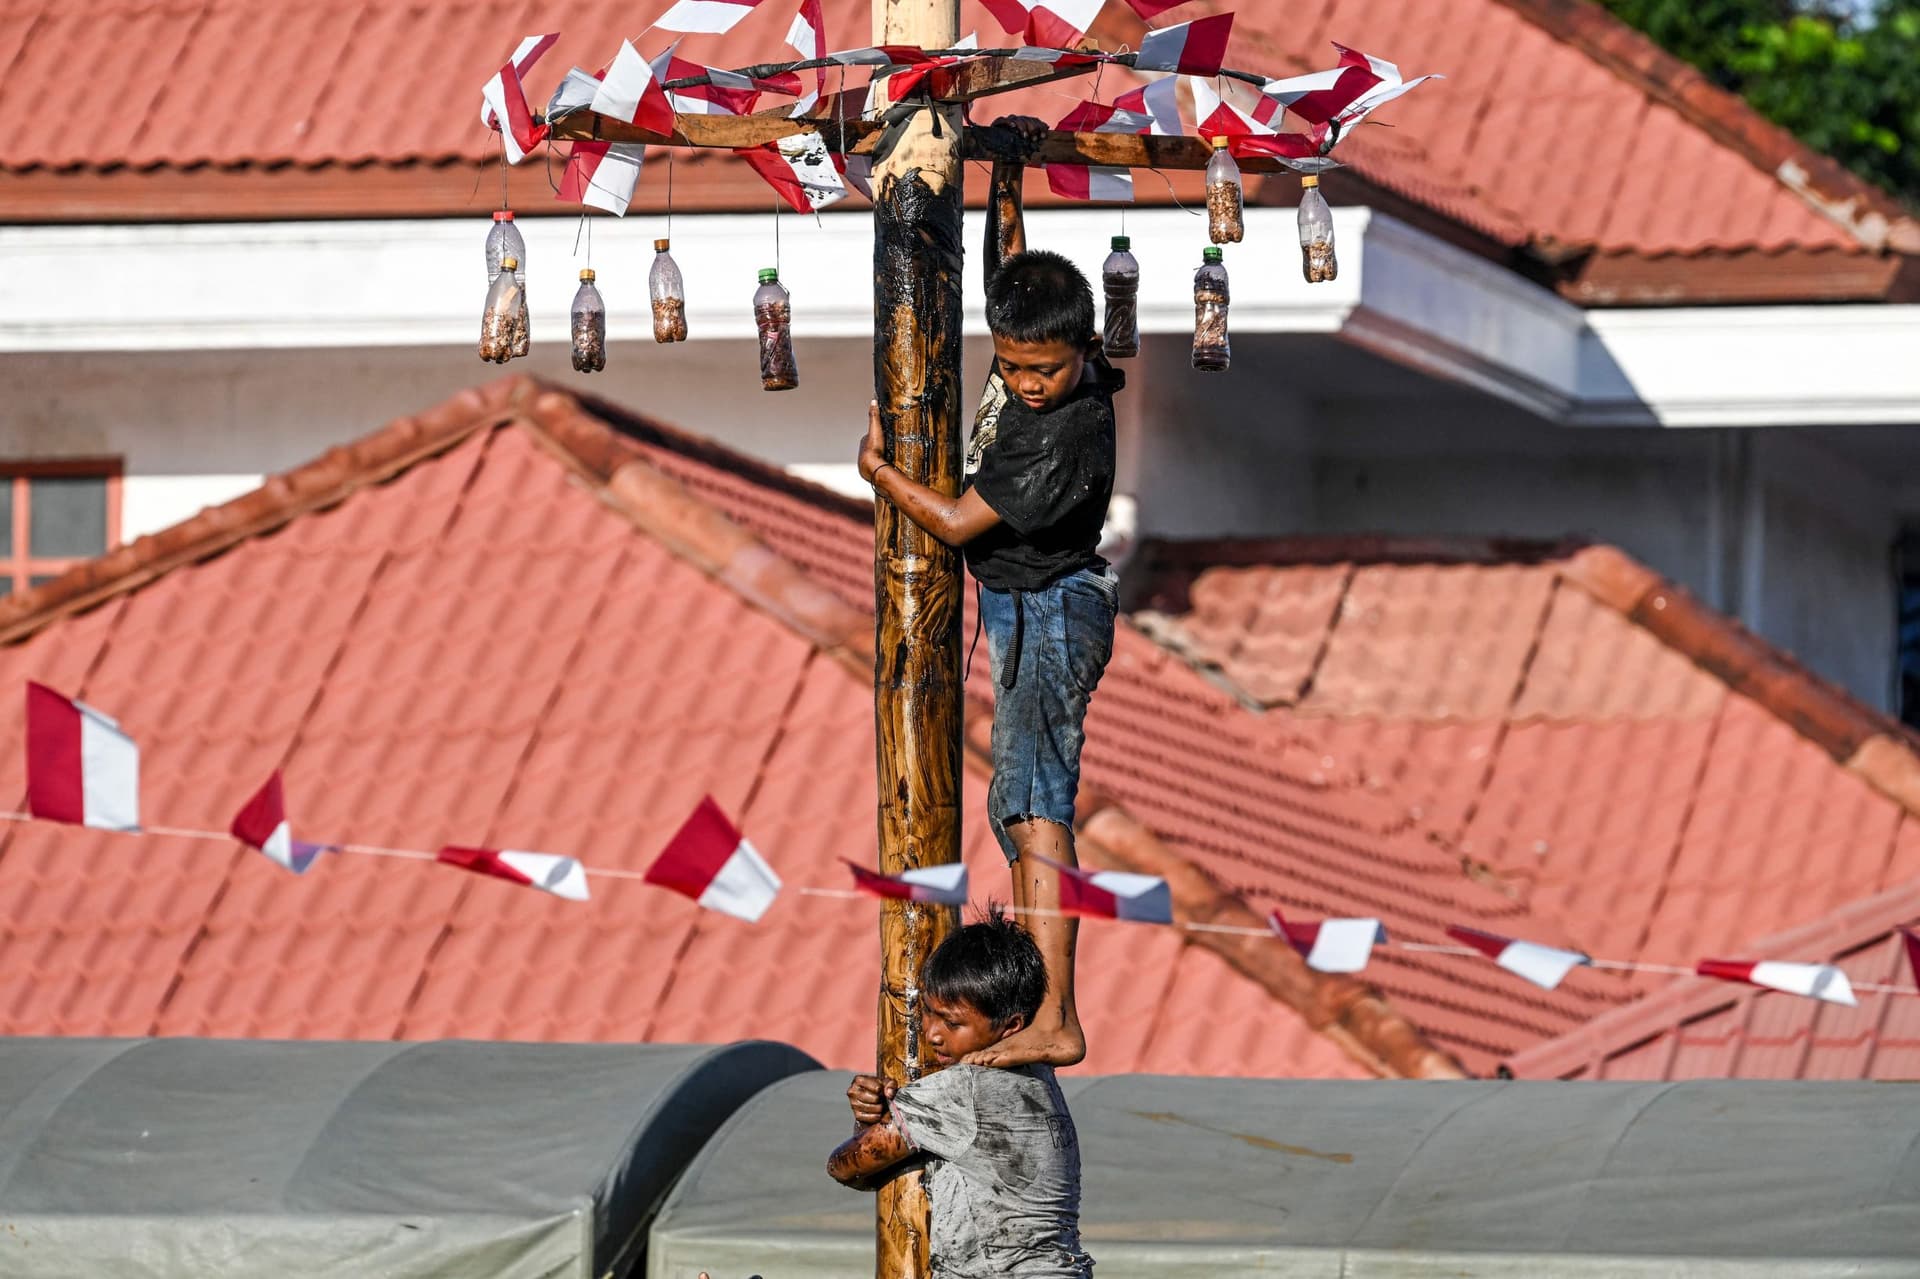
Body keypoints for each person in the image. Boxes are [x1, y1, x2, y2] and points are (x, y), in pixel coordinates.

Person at [856, 116, 1121, 1070]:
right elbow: (1005, 268)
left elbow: (962, 524)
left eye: (1042, 368)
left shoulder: (1066, 431)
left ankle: (1056, 1015)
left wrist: (882, 476)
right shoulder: (1033, 347)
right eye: (1010, 366)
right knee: (1018, 802)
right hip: (1023, 612)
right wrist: (1003, 178)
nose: (1023, 383)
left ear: (1084, 349)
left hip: (1053, 611)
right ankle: (1043, 1000)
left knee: (1039, 804)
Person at [826, 908, 1093, 1278]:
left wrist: (870, 1116)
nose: (933, 1033)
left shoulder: (962, 1088)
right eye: (928, 1013)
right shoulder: (1039, 1076)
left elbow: (848, 1166)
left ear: (1010, 1026)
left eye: (952, 1023)